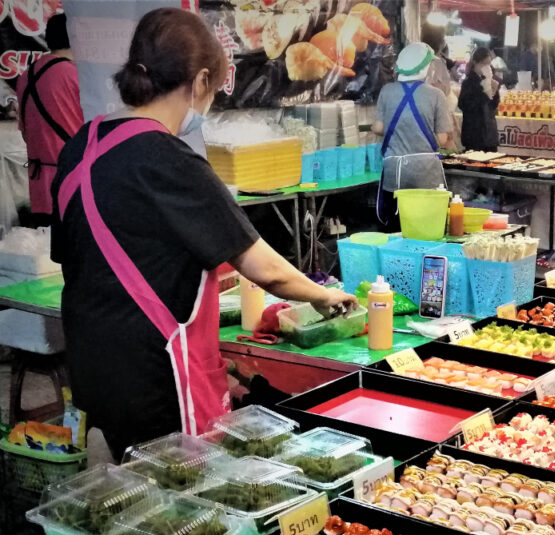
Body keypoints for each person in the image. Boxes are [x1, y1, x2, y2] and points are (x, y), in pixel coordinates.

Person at [51, 9, 355, 459]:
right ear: (200, 80)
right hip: (156, 373)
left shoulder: (82, 144)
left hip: (91, 362)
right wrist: (323, 295)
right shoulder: (168, 158)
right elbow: (263, 268)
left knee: (127, 503)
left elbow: (83, 253)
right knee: (180, 504)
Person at [372, 42, 453, 225]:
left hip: (395, 173)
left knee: (396, 228)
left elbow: (377, 128)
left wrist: (400, 129)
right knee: (426, 227)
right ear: (424, 67)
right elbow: (441, 138)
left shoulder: (387, 91)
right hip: (425, 174)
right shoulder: (436, 95)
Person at [16, 14, 83, 227]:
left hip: (39, 186)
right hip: (72, 181)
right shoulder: (75, 74)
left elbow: (25, 129)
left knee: (47, 252)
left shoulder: (27, 74)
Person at [458, 47, 500, 152]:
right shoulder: (468, 82)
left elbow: (493, 106)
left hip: (489, 135)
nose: (487, 67)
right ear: (475, 63)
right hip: (474, 134)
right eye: (484, 64)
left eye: (489, 64)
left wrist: (494, 93)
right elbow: (464, 105)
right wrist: (484, 94)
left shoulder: (489, 80)